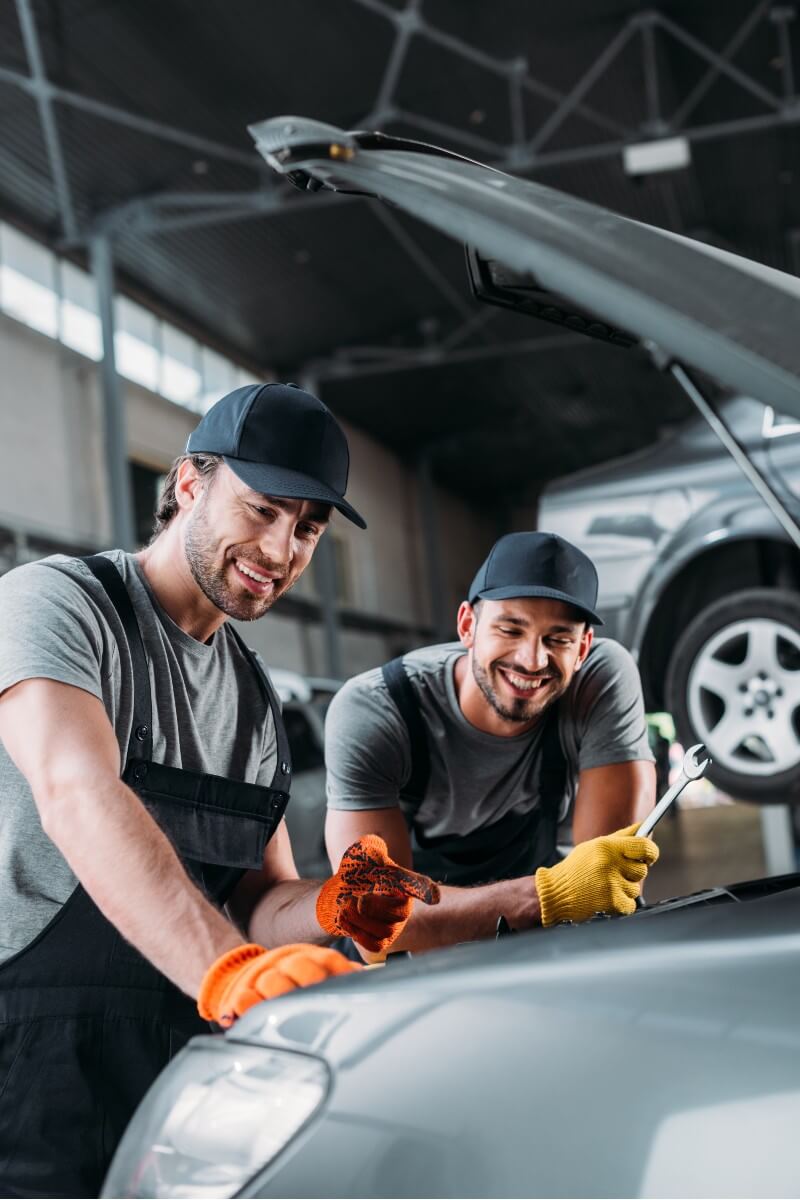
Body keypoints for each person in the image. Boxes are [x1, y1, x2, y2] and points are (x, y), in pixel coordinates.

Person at [0, 382, 438, 1197]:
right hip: (28, 1066)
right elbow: (75, 791)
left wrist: (339, 903)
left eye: (309, 529)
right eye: (264, 509)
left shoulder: (253, 693)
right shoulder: (58, 605)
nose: (282, 551)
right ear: (191, 484)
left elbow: (256, 900)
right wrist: (228, 972)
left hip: (185, 1072)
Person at [324, 531, 659, 954]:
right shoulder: (377, 709)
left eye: (558, 639)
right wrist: (547, 896)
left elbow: (600, 899)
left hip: (537, 941)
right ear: (468, 625)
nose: (532, 660)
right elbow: (374, 922)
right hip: (411, 965)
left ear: (582, 648)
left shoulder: (599, 680)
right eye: (510, 629)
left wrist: (560, 902)